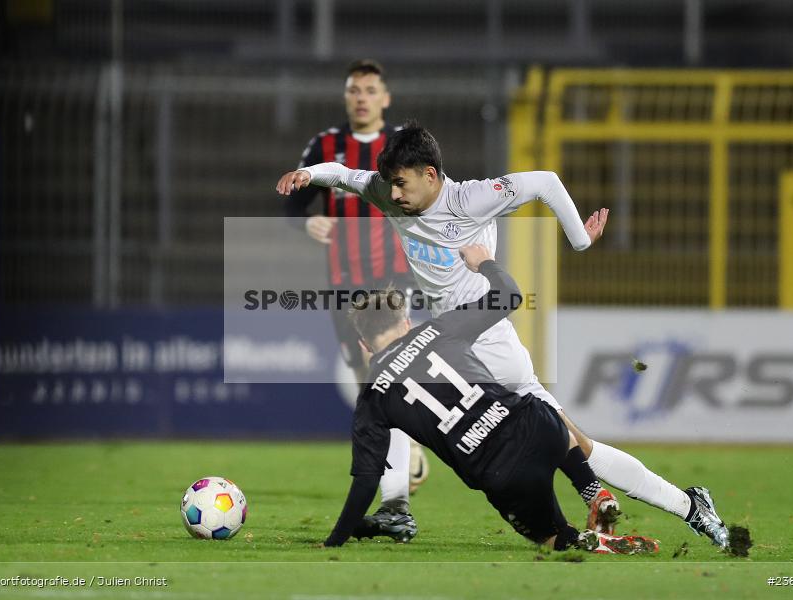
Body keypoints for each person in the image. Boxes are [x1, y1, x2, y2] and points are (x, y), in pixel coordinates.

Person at [276, 124, 731, 550]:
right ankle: (406, 506)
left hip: (485, 335)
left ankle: (678, 504)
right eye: (390, 184)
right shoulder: (386, 190)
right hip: (449, 338)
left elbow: (547, 182)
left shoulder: (471, 198)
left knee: (573, 444)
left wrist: (580, 242)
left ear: (430, 175)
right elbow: (342, 175)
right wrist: (308, 174)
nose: (392, 195)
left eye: (401, 184)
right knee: (407, 400)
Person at [325, 245, 724, 552]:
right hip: (496, 365)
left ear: (363, 344)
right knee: (564, 432)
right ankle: (609, 493)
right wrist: (495, 260)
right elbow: (511, 286)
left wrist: (336, 540)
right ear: (406, 321)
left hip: (487, 426)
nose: (399, 195)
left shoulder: (373, 393)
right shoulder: (471, 210)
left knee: (550, 537)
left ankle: (398, 507)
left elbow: (365, 478)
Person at [283, 60, 426, 541]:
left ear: (385, 98)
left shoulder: (401, 146)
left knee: (388, 381)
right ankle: (403, 458)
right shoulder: (324, 146)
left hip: (392, 278)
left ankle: (396, 502)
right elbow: (292, 200)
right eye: (353, 90)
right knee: (372, 383)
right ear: (346, 98)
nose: (361, 97)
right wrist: (305, 221)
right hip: (343, 286)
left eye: (370, 90)